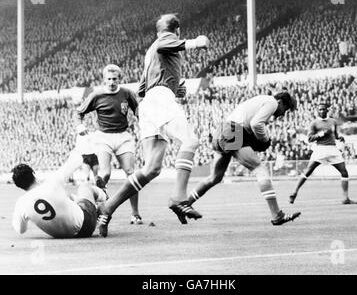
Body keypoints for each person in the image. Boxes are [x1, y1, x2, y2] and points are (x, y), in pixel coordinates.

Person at [97, 14, 210, 236]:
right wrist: (198, 41)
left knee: (151, 169)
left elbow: (141, 89)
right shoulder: (165, 40)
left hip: (150, 102)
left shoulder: (152, 51)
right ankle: (179, 197)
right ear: (176, 30)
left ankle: (107, 208)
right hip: (159, 100)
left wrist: (174, 88)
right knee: (191, 140)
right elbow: (185, 44)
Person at [186, 92, 301, 225]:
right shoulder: (272, 102)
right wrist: (265, 139)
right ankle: (277, 215)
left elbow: (248, 123)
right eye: (285, 110)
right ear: (281, 102)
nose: (282, 114)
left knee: (215, 177)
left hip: (222, 130)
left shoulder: (260, 100)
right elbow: (256, 123)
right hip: (233, 131)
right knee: (260, 169)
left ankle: (186, 204)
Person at [76, 64, 143, 225]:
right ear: (104, 80)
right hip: (103, 137)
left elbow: (139, 110)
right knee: (104, 173)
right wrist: (80, 125)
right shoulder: (96, 95)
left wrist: (145, 125)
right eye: (109, 79)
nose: (112, 82)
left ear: (120, 79)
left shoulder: (126, 93)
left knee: (131, 173)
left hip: (123, 136)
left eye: (115, 79)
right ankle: (97, 207)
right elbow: (79, 113)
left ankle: (135, 214)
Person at [11, 163, 108, 238]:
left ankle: (94, 208)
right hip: (86, 225)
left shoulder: (21, 203)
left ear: (19, 186)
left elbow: (21, 230)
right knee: (85, 187)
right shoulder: (50, 183)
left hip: (61, 236)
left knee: (71, 198)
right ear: (33, 174)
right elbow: (74, 162)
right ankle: (104, 196)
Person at [289, 103, 357, 205]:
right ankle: (294, 192)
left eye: (323, 109)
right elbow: (310, 138)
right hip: (320, 149)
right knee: (308, 171)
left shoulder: (333, 122)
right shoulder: (314, 123)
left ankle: (345, 198)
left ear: (327, 110)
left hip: (332, 149)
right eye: (319, 110)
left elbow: (335, 135)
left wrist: (339, 138)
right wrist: (322, 134)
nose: (321, 111)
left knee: (344, 172)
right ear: (317, 111)